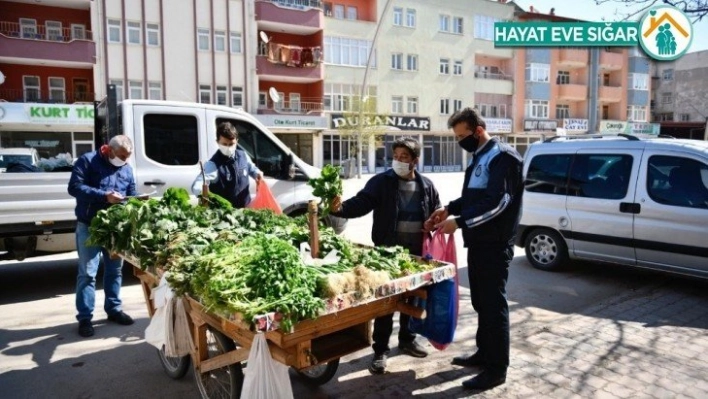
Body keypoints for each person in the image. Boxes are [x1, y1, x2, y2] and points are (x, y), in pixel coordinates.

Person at [427, 107, 523, 390]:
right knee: (482, 302)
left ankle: (496, 369)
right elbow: (473, 197)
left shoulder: (503, 157)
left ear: (478, 131)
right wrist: (448, 210)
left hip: (495, 244)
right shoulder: (479, 156)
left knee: (494, 306)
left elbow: (498, 202)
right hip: (479, 243)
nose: (460, 142)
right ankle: (485, 353)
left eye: (462, 136)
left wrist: (460, 222)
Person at [330, 137, 442, 374]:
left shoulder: (427, 185)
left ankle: (407, 338)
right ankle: (380, 350)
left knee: (412, 299)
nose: (399, 161)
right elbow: (362, 202)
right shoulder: (382, 182)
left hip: (415, 256)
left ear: (415, 161)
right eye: (396, 157)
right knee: (386, 303)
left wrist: (434, 221)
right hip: (387, 255)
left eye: (404, 157)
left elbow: (436, 211)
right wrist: (340, 209)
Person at [68, 135, 142, 338]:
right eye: (121, 156)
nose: (124, 161)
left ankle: (114, 309)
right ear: (109, 151)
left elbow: (131, 193)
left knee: (114, 271)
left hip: (114, 229)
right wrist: (104, 196)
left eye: (128, 157)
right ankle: (85, 317)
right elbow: (74, 187)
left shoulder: (126, 168)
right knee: (87, 274)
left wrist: (137, 202)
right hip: (90, 226)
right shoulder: (88, 161)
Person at [191, 121, 263, 207]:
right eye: (224, 144)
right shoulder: (213, 164)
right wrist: (204, 195)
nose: (228, 147)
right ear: (217, 142)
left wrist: (257, 174)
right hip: (224, 215)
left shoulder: (243, 155)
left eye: (231, 144)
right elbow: (196, 186)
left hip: (245, 211)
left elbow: (251, 169)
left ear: (237, 141)